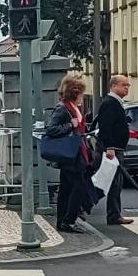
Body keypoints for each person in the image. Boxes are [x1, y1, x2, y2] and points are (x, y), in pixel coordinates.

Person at [46, 72, 91, 234]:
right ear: (75, 91)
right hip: (71, 155)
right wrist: (70, 125)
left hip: (75, 153)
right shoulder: (63, 108)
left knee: (66, 189)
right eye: (82, 92)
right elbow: (51, 129)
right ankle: (68, 220)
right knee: (77, 188)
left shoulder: (72, 107)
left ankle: (63, 221)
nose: (83, 96)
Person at [92, 74, 134, 226]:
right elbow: (105, 127)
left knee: (113, 183)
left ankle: (114, 214)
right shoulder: (110, 103)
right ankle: (84, 207)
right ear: (114, 86)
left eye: (128, 85)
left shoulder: (115, 102)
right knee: (109, 183)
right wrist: (109, 147)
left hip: (114, 148)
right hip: (111, 150)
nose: (127, 88)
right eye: (124, 85)